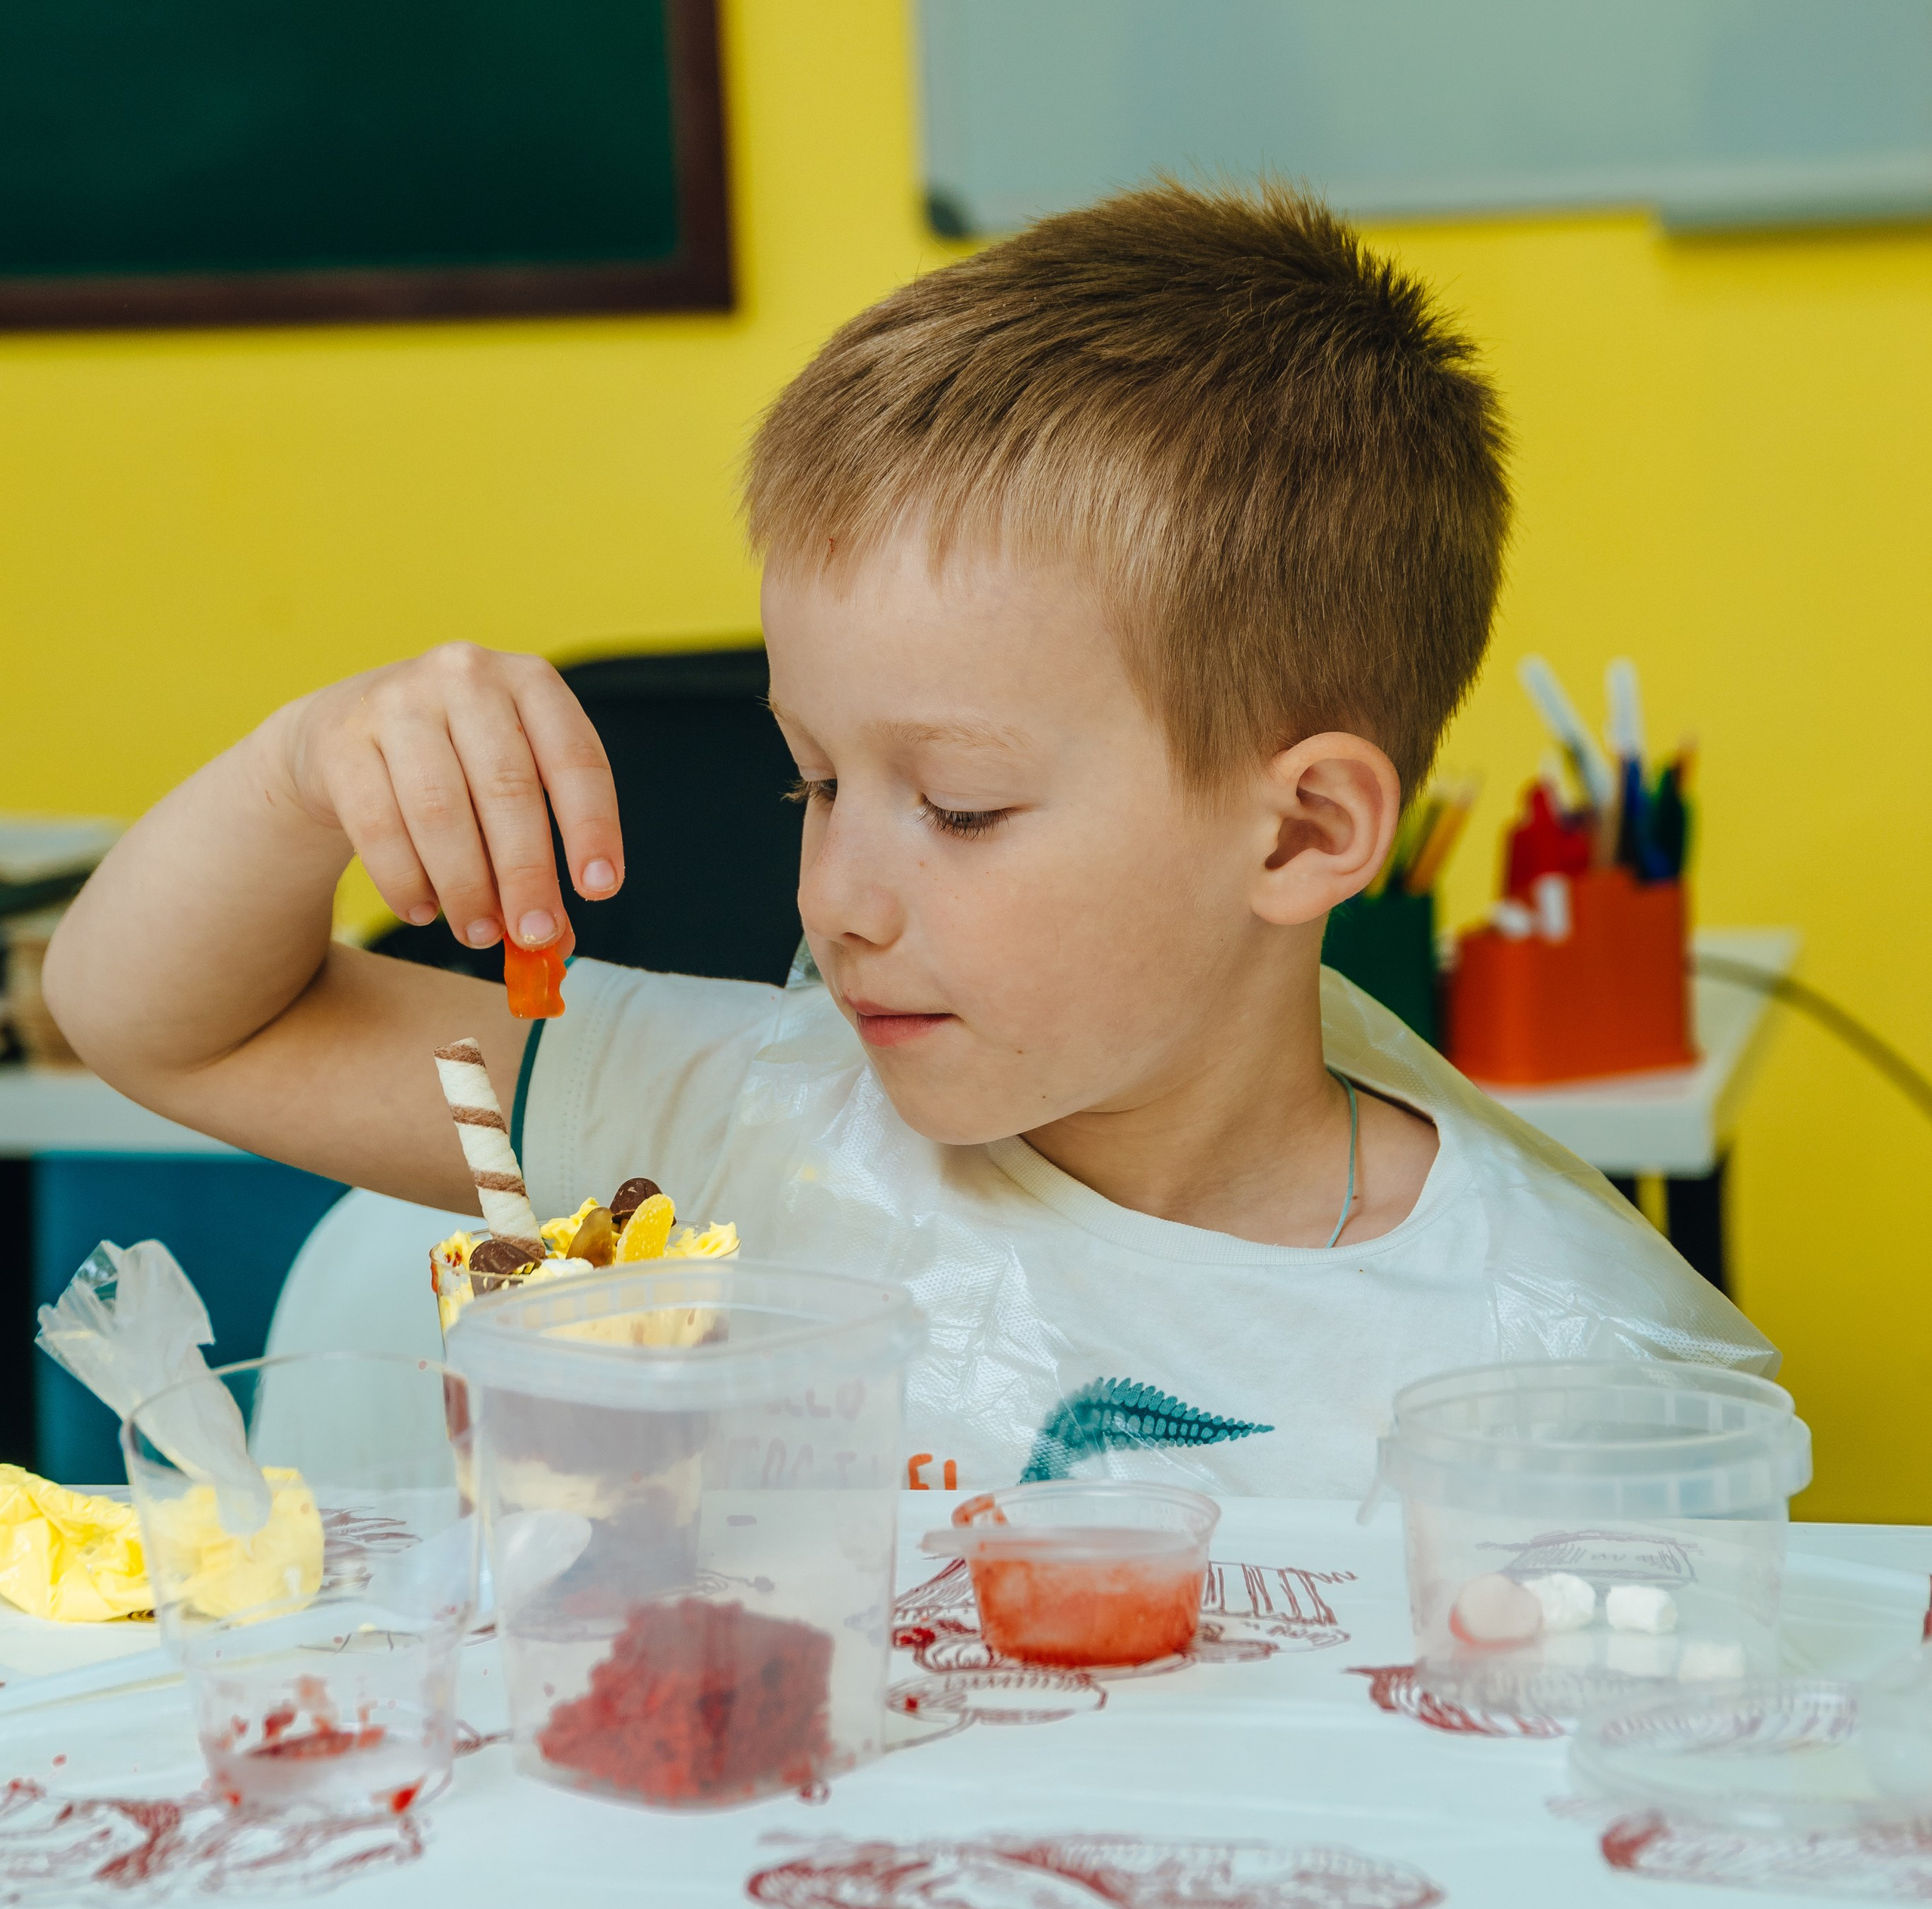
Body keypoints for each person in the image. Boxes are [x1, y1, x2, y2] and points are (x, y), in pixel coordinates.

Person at [44, 182, 1771, 1495]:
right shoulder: (727, 1119)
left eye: (955, 806)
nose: (837, 896)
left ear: (1303, 830)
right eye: (810, 782)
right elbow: (166, 1023)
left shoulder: (1565, 1361)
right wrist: (299, 773)